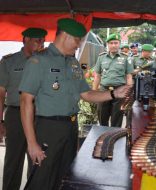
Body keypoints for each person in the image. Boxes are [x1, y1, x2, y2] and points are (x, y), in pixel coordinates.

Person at [19, 18, 130, 190]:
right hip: (48, 128)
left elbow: (86, 94)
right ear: (66, 36)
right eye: (77, 40)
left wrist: (114, 93)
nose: (78, 45)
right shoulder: (39, 62)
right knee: (42, 179)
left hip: (71, 127)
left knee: (64, 176)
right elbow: (26, 102)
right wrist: (32, 143)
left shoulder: (72, 63)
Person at [0, 27, 47, 190]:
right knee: (13, 160)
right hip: (15, 114)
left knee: (37, 160)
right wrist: (0, 121)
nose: (41, 44)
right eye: (37, 40)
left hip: (40, 115)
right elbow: (0, 94)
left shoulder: (46, 61)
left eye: (43, 40)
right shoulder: (9, 61)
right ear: (25, 39)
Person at [92, 33, 133, 127]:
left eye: (116, 43)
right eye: (111, 43)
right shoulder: (101, 57)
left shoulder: (125, 58)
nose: (114, 45)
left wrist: (128, 94)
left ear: (119, 44)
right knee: (102, 116)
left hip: (119, 90)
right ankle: (102, 137)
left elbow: (129, 77)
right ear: (107, 44)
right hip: (104, 91)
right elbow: (97, 76)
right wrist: (94, 92)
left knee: (117, 118)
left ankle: (115, 139)